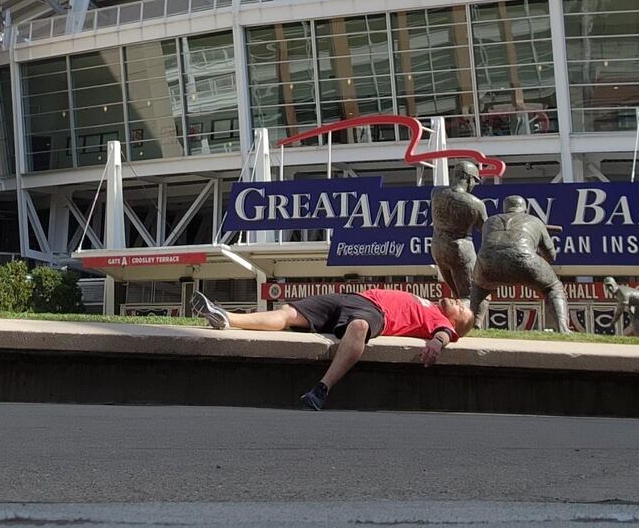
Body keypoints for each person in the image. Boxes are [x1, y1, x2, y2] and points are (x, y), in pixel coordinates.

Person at [192, 287, 474, 411]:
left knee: (360, 328)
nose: (459, 302)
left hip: (376, 312)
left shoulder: (440, 321)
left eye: (462, 308)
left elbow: (443, 335)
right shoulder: (431, 304)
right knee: (290, 313)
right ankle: (227, 318)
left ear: (456, 322)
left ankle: (321, 390)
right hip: (354, 298)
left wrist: (436, 345)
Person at [470, 195, 569, 333]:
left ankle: (473, 325)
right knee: (553, 287)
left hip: (487, 263)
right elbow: (551, 256)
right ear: (524, 209)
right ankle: (563, 328)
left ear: (505, 209)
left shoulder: (490, 221)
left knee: (479, 288)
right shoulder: (535, 221)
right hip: (524, 260)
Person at [430, 159, 486, 300]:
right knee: (471, 295)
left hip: (438, 248)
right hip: (460, 250)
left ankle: (457, 320)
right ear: (468, 179)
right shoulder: (475, 203)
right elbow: (486, 229)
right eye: (475, 181)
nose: (474, 185)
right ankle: (472, 322)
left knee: (457, 296)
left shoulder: (436, 193)